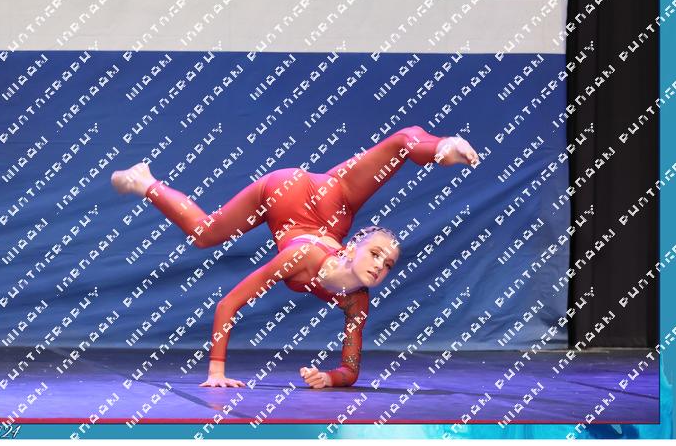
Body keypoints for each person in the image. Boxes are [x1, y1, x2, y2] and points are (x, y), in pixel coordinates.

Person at [111, 126, 478, 388]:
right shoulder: (301, 256)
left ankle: (441, 146)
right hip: (290, 196)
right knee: (205, 234)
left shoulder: (357, 301)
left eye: (388, 264)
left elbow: (350, 370)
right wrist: (216, 371)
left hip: (329, 210)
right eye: (375, 254)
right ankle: (145, 181)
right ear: (352, 249)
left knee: (398, 147)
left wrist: (328, 378)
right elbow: (229, 303)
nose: (379, 265)